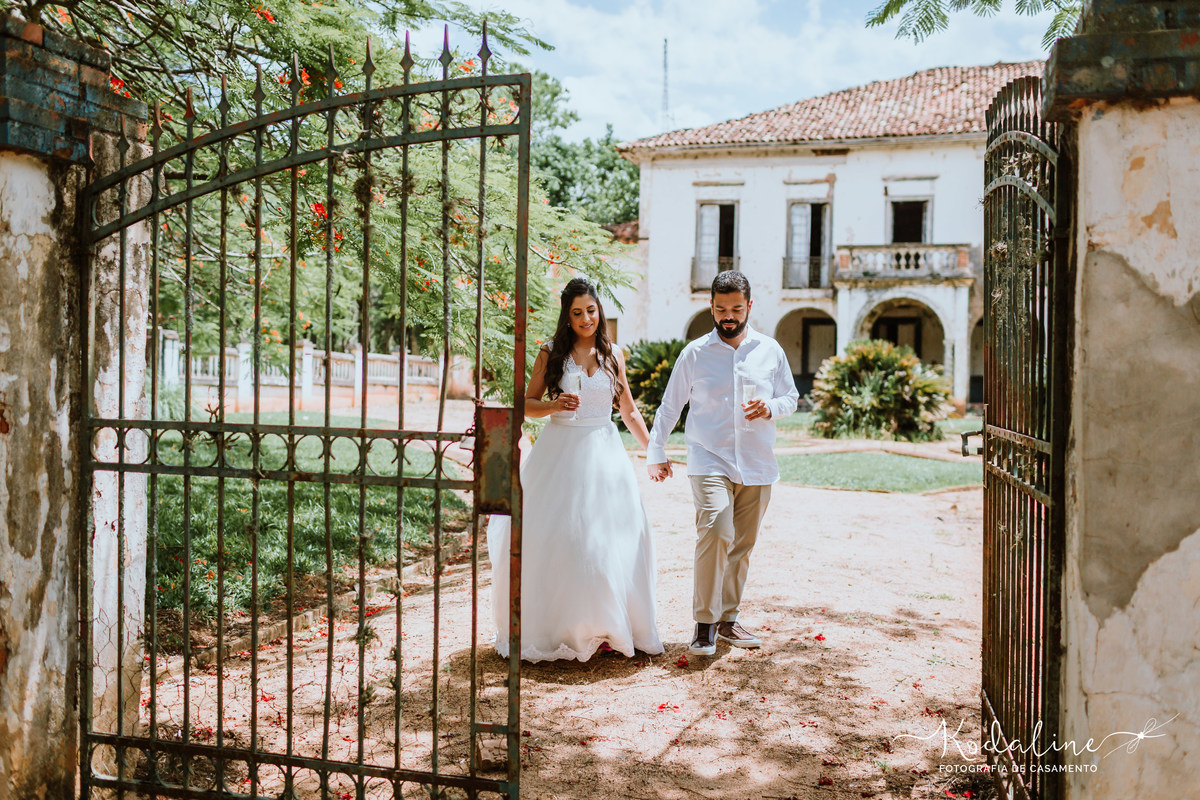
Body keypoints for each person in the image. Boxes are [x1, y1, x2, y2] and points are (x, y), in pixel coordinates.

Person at [487, 278, 664, 662]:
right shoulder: (551, 353)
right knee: (562, 538)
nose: (587, 318)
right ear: (567, 317)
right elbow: (525, 403)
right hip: (560, 451)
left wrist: (654, 451)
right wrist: (553, 407)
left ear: (600, 311)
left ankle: (608, 628)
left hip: (605, 453)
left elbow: (629, 411)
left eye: (592, 310)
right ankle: (560, 629)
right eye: (578, 313)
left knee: (608, 539)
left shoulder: (614, 353)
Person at [646, 270, 799, 656]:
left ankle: (728, 620)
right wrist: (656, 450)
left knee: (742, 544)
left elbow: (791, 398)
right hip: (708, 457)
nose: (727, 316)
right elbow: (670, 406)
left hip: (757, 462)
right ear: (711, 308)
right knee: (715, 530)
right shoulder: (694, 353)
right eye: (720, 309)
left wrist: (771, 407)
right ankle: (704, 624)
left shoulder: (770, 350)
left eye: (735, 308)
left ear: (749, 306)